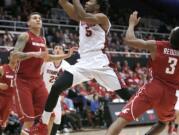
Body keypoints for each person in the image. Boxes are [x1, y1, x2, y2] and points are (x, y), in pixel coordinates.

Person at [29, 0, 132, 134]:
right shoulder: (81, 15)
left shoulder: (102, 17)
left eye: (91, 1)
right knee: (56, 87)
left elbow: (82, 16)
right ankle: (42, 125)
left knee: (128, 97)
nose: (87, 2)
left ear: (98, 6)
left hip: (100, 63)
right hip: (83, 62)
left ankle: (161, 114)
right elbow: (65, 4)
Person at [106, 11, 179, 135]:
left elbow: (129, 40)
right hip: (171, 94)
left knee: (122, 120)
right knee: (163, 123)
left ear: (170, 37)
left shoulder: (158, 46)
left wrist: (131, 24)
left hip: (154, 87)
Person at [13, 12, 75, 135]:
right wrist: (33, 54)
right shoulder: (25, 36)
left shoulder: (43, 39)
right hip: (23, 81)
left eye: (40, 18)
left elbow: (46, 57)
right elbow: (14, 55)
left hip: (38, 82)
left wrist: (66, 55)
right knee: (29, 121)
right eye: (35, 18)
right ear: (28, 23)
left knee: (50, 115)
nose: (38, 20)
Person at [0, 50, 43, 134]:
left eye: (17, 55)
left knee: (3, 124)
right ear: (9, 57)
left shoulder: (21, 72)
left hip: (10, 101)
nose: (15, 56)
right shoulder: (2, 68)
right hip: (1, 97)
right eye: (13, 55)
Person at [41, 44, 71, 135]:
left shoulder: (67, 66)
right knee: (44, 117)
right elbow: (38, 75)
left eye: (60, 48)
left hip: (56, 94)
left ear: (63, 52)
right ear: (53, 51)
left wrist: (63, 95)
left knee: (57, 118)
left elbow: (70, 82)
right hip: (43, 93)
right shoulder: (46, 62)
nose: (58, 50)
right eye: (56, 48)